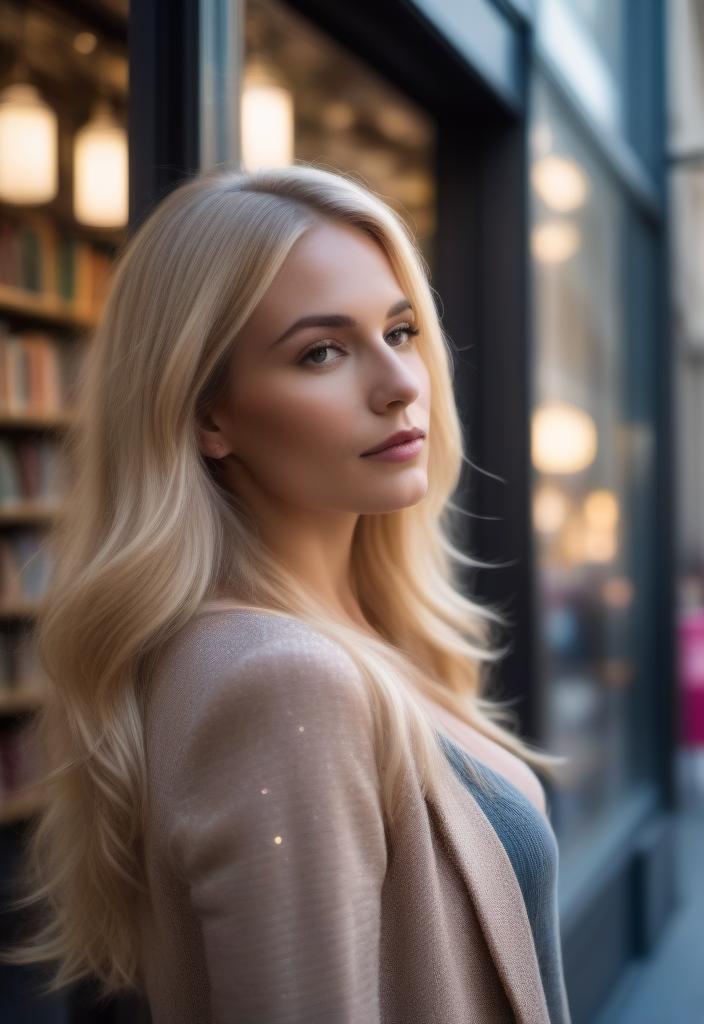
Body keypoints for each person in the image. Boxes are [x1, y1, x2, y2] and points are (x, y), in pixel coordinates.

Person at [0, 164, 572, 1023]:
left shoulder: (348, 632)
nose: (400, 384)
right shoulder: (282, 681)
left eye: (402, 330)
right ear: (206, 415)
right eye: (322, 352)